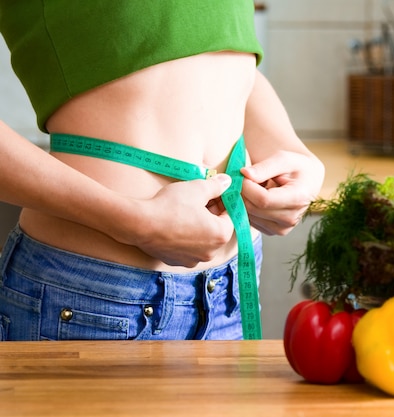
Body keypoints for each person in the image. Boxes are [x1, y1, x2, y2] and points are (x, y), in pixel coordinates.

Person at [0, 1, 324, 341]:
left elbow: (216, 52)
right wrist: (134, 222)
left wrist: (288, 149)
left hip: (231, 287)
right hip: (94, 295)